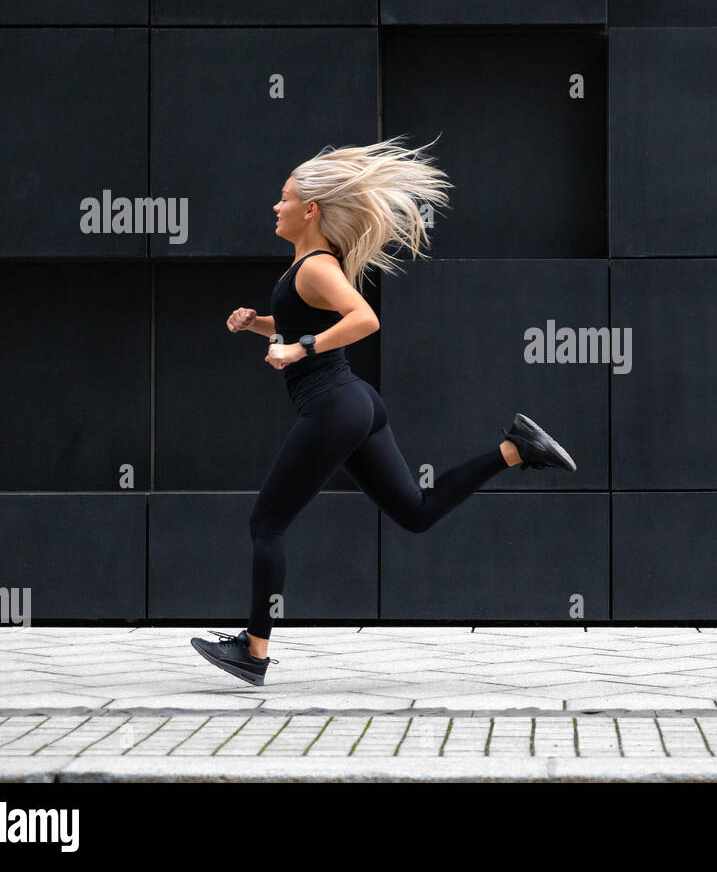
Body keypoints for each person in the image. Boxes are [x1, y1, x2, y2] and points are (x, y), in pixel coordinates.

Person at [191, 138, 576, 686]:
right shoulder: (305, 267)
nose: (274, 207)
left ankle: (253, 652)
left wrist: (300, 350)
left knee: (266, 523)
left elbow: (364, 319)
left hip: (332, 405)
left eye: (283, 198)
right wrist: (258, 324)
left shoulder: (314, 268)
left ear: (311, 209)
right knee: (416, 513)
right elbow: (307, 321)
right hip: (355, 402)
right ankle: (516, 449)